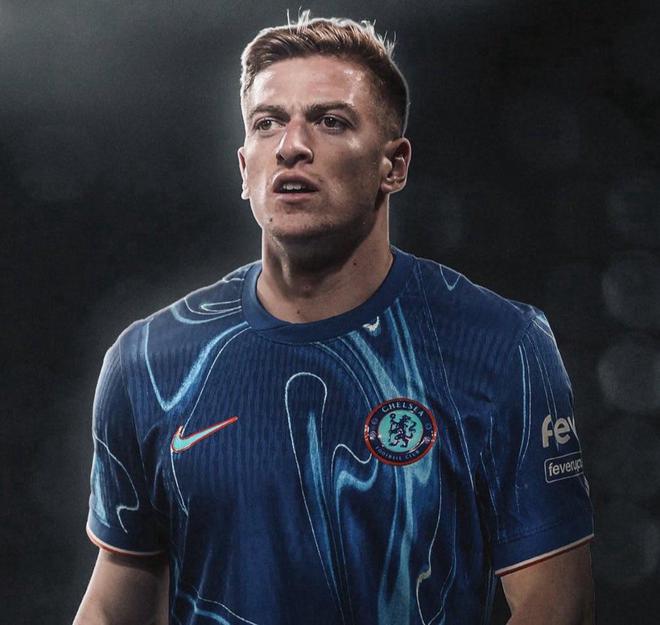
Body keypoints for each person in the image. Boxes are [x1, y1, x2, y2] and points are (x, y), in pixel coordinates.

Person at [74, 13, 595, 625]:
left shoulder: (501, 346)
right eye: (267, 123)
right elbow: (115, 603)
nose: (291, 145)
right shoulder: (149, 362)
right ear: (244, 169)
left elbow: (556, 608)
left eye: (330, 121)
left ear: (393, 165)